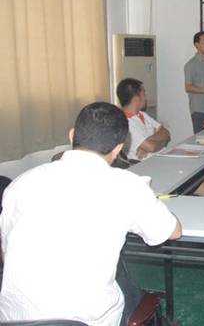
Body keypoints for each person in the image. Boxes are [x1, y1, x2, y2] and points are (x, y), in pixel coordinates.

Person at [0, 102, 182, 325]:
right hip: (89, 319)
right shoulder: (126, 186)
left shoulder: (21, 183)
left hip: (14, 318)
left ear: (72, 135)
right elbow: (171, 232)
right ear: (119, 148)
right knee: (125, 283)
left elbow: (5, 251)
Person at [117, 78, 204, 198]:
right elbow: (152, 146)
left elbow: (166, 133)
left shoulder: (142, 115)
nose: (146, 97)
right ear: (136, 98)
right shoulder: (125, 122)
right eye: (144, 93)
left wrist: (153, 140)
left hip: (165, 161)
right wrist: (156, 140)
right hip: (153, 168)